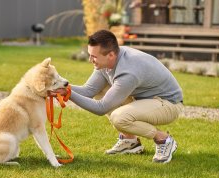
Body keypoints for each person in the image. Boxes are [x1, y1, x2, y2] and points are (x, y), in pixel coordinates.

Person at [53, 30, 183, 163]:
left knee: (120, 118)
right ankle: (130, 141)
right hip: (147, 100)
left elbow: (101, 108)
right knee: (101, 89)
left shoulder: (128, 72)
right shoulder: (107, 61)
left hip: (168, 104)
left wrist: (68, 94)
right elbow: (89, 90)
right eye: (90, 55)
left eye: (94, 56)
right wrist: (59, 87)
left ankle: (164, 140)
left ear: (110, 55)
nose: (90, 60)